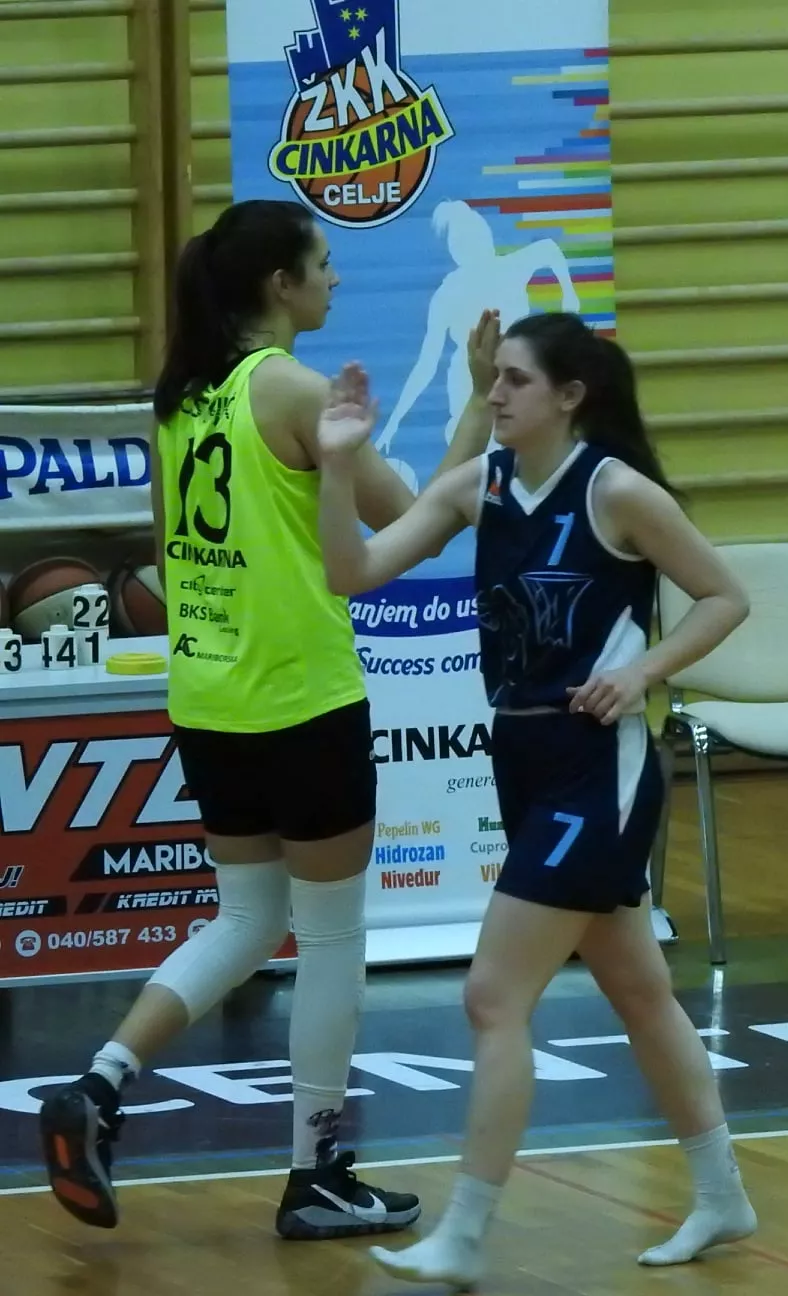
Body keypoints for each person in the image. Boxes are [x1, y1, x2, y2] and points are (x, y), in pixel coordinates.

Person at [37, 199, 490, 1239]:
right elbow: (410, 521)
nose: (336, 278)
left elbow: (170, 551)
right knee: (331, 940)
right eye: (323, 263)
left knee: (245, 921)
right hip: (299, 698)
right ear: (279, 284)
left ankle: (100, 1084)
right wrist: (473, 407)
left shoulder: (183, 397)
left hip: (208, 698)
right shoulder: (291, 388)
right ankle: (316, 1172)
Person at [312, 311, 756, 1288]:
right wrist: (339, 466)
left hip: (601, 765)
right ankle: (723, 1193)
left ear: (569, 396)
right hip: (520, 755)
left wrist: (643, 671)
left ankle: (466, 1233)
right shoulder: (479, 484)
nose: (496, 392)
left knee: (491, 996)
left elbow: (726, 596)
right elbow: (353, 572)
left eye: (514, 379)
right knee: (639, 991)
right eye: (494, 377)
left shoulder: (616, 490)